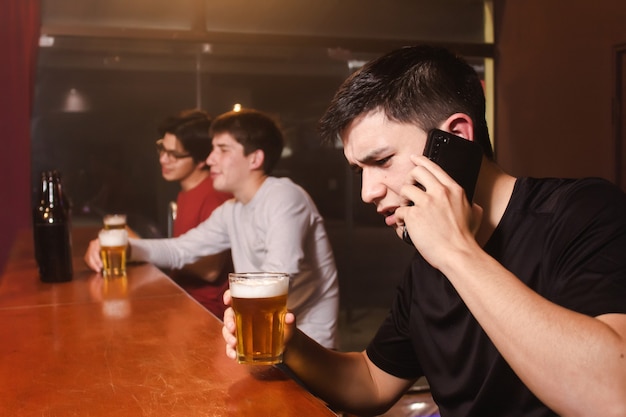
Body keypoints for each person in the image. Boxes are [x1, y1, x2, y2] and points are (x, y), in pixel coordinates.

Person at [222, 45, 626, 416]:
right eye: (359, 171)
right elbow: (372, 381)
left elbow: (613, 397)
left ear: (455, 137)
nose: (368, 192)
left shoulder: (583, 212)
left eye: (381, 160)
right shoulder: (426, 262)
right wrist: (291, 347)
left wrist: (457, 254)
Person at [85, 108, 340, 349]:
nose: (210, 159)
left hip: (307, 346)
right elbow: (180, 249)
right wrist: (124, 246)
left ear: (255, 158)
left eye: (222, 149)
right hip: (261, 338)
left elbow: (280, 273)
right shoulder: (233, 210)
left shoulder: (284, 196)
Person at [156, 109, 233, 317]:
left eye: (175, 155)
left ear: (201, 160)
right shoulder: (186, 192)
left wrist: (149, 252)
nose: (164, 159)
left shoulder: (214, 195)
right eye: (162, 149)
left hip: (205, 311)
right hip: (181, 300)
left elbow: (210, 271)